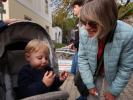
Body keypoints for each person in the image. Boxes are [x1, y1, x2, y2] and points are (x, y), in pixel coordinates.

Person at [78, 0, 133, 100]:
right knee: (91, 97)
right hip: (93, 72)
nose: (86, 27)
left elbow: (126, 67)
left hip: (113, 73)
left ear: (108, 20)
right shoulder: (83, 32)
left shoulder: (128, 35)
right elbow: (82, 59)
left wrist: (114, 92)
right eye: (84, 22)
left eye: (93, 23)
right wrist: (90, 84)